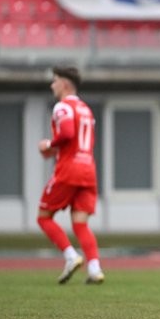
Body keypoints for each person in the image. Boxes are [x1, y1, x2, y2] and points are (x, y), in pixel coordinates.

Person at [37, 66, 104, 284]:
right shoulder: (85, 109)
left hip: (69, 169)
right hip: (88, 169)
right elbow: (77, 140)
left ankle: (71, 255)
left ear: (65, 83)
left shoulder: (62, 107)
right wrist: (55, 149)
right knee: (80, 223)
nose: (52, 85)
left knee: (43, 217)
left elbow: (67, 133)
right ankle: (94, 269)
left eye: (55, 80)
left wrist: (49, 144)